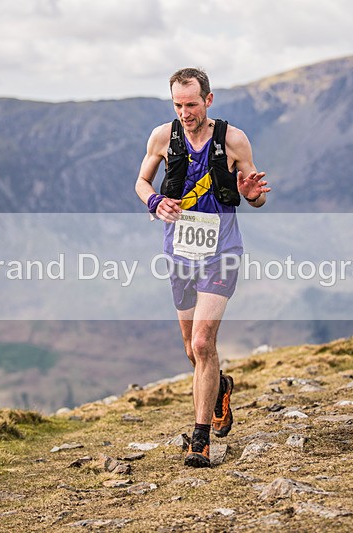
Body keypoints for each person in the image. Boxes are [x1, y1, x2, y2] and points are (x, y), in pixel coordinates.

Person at [135, 67, 270, 468]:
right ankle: (219, 387)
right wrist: (155, 201)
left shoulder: (233, 139)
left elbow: (256, 197)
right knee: (192, 351)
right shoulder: (163, 137)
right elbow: (141, 182)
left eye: (191, 104)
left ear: (208, 100)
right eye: (178, 104)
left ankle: (200, 439)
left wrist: (249, 194)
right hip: (179, 254)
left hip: (221, 251)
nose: (185, 112)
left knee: (201, 341)